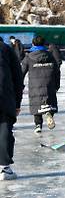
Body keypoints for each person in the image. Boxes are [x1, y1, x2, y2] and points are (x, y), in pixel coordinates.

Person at [21, 36, 60, 133]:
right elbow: (57, 71)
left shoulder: (29, 57)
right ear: (44, 44)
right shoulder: (50, 56)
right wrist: (57, 85)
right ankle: (49, 113)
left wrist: (19, 85)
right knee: (49, 101)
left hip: (35, 86)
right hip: (49, 84)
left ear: (33, 44)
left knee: (36, 104)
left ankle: (38, 125)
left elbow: (21, 72)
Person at [0, 41, 23, 180]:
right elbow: (17, 77)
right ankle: (4, 168)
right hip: (4, 96)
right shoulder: (6, 49)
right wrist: (17, 103)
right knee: (4, 129)